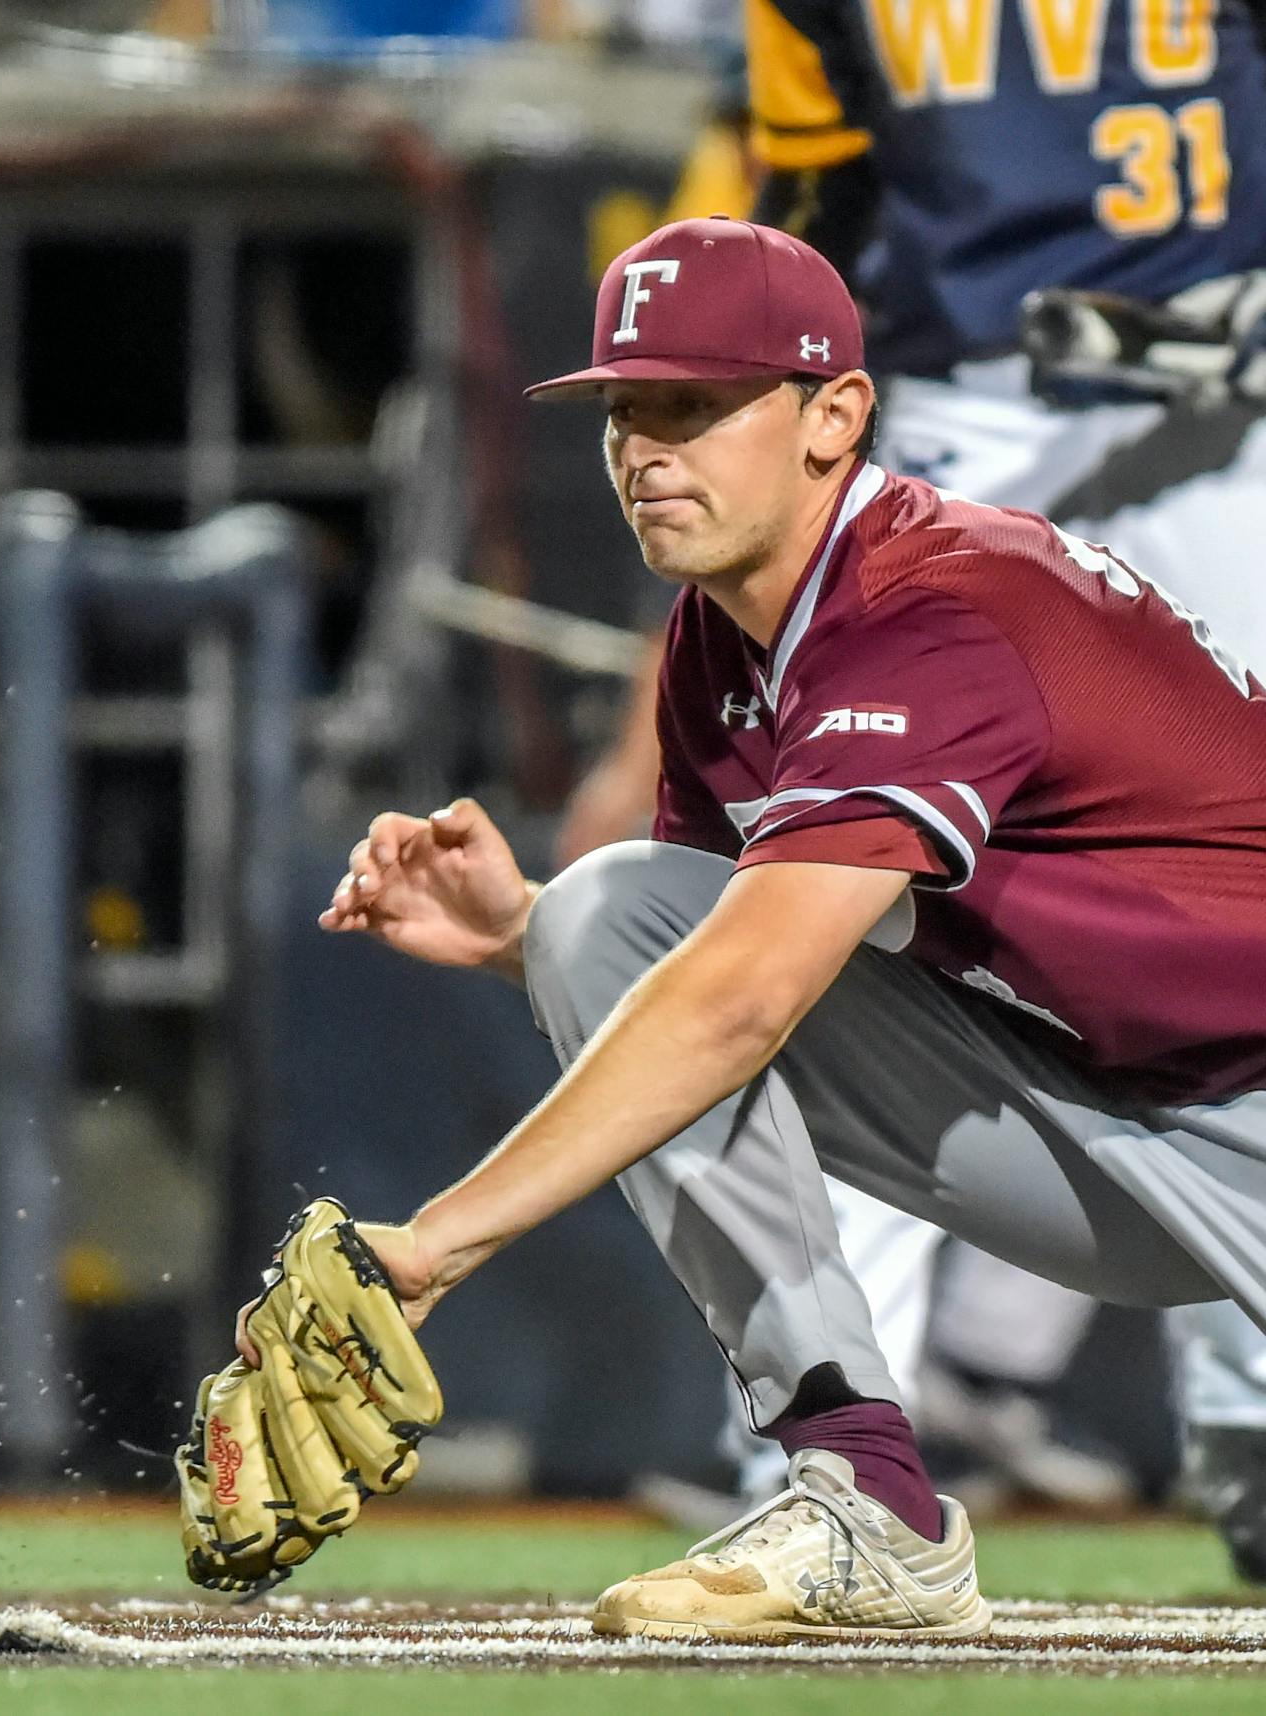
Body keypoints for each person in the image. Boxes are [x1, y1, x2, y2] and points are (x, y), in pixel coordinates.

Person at [296, 216, 1266, 1639]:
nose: (646, 448)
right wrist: (523, 932)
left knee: (646, 937)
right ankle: (867, 1500)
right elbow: (724, 981)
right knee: (608, 915)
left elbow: (740, 999)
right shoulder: (726, 638)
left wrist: (433, 1244)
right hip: (1117, 1112)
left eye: (696, 405)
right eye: (627, 409)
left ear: (836, 416)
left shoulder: (934, 607)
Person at [559, 0, 1266, 1527]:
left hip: (1228, 398)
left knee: (1224, 886)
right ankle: (819, 1448)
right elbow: (804, 206)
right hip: (957, 400)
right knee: (819, 915)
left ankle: (1247, 1420)